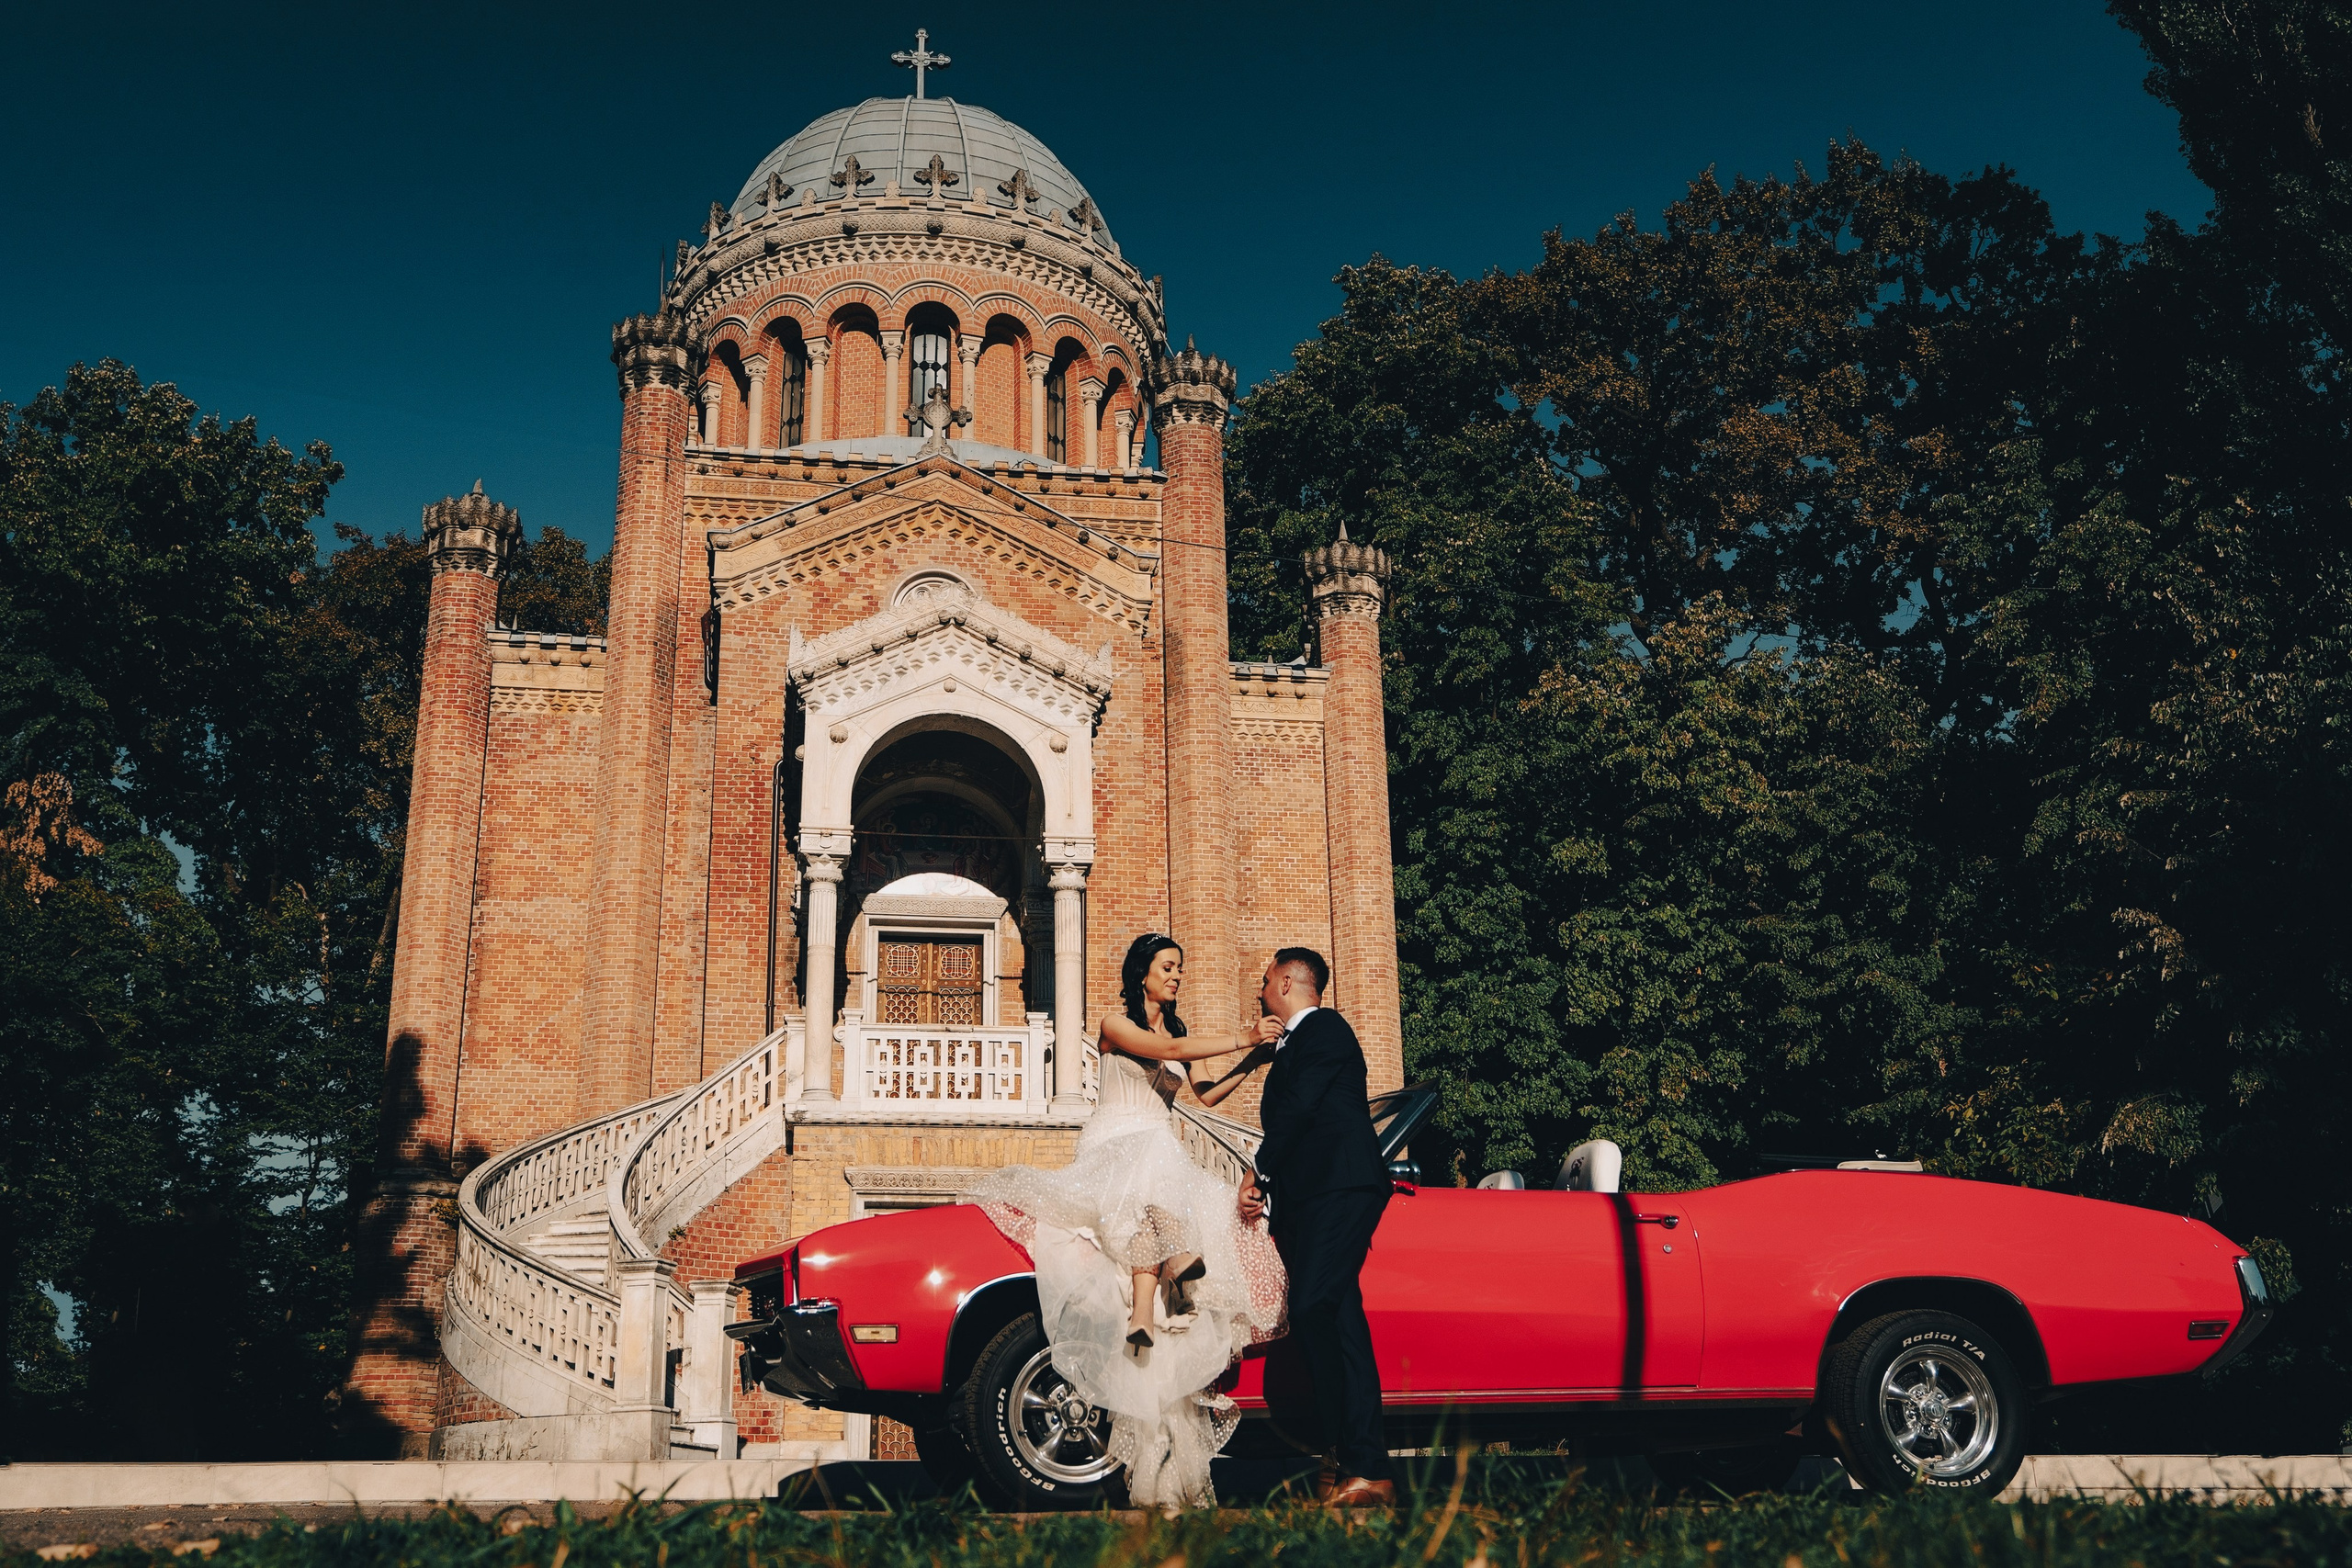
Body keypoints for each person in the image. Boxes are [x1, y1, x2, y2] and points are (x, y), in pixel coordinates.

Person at [966, 932, 1288, 1509]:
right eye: (1168, 967)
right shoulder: (1117, 1024)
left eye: (1180, 969)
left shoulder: (1179, 1034)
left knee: (1166, 1164)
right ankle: (1178, 1262)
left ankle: (1149, 1307)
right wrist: (1243, 1032)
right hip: (1113, 1144)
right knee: (1154, 1158)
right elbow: (1163, 1056)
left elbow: (1206, 1096)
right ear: (1142, 972)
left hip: (1155, 1155)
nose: (1177, 977)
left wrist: (1253, 1060)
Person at [1241, 946, 1396, 1508]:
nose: (1259, 992)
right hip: (1310, 1198)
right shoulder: (1291, 1044)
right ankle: (1353, 1462)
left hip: (1342, 1188)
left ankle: (1363, 1462)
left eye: (1264, 982)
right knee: (1334, 1317)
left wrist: (1258, 1171)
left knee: (1312, 1307)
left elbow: (1301, 1109)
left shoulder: (1326, 1028)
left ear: (1286, 982)